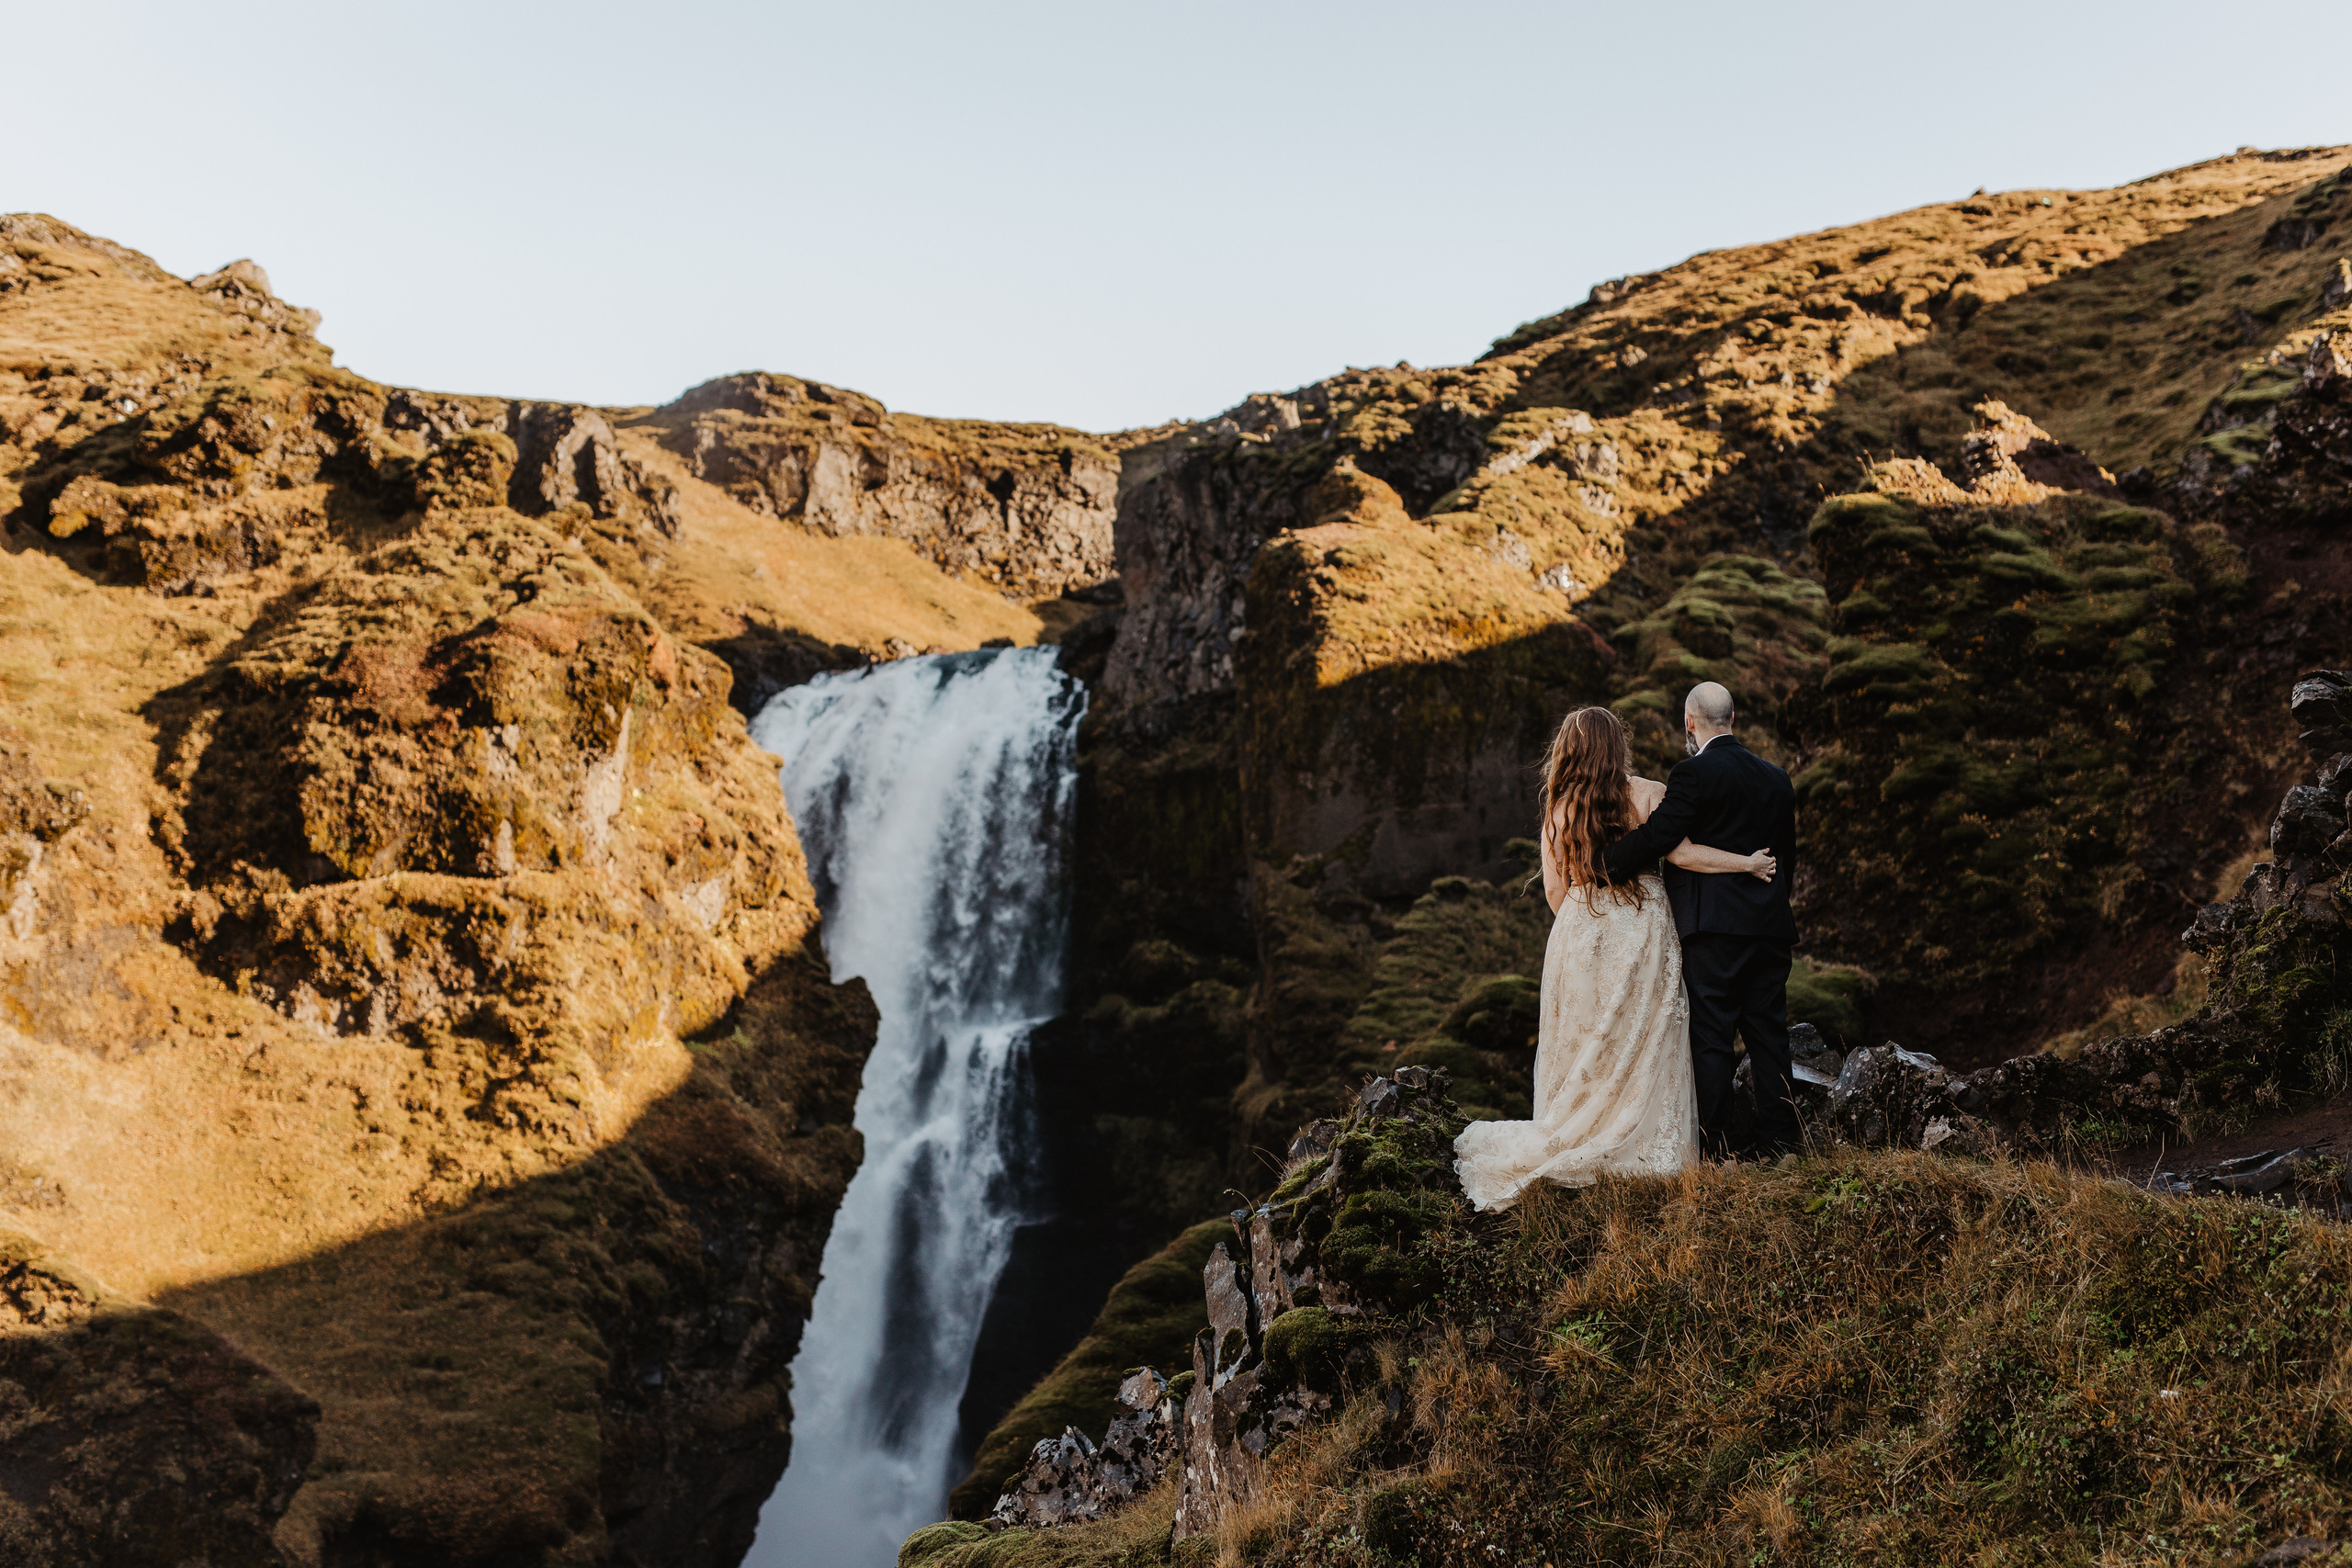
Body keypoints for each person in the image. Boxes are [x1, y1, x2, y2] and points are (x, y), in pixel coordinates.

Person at [1453, 705, 1776, 1213]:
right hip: (1642, 927)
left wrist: (1582, 926)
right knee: (1645, 1037)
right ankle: (1644, 1146)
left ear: (1568, 750)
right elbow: (1686, 856)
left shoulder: (1558, 809)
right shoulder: (1648, 793)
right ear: (1616, 746)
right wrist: (1748, 863)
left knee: (1588, 1043)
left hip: (1578, 932)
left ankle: (1575, 1135)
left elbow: (1555, 890)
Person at [1600, 681, 1800, 1160]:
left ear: (1690, 722)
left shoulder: (1694, 773)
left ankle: (1719, 1148)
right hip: (1769, 928)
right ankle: (1782, 1144)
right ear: (1733, 719)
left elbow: (1661, 835)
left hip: (1713, 929)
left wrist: (1603, 865)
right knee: (1769, 1034)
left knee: (1712, 1038)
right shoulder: (1777, 778)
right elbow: (1786, 858)